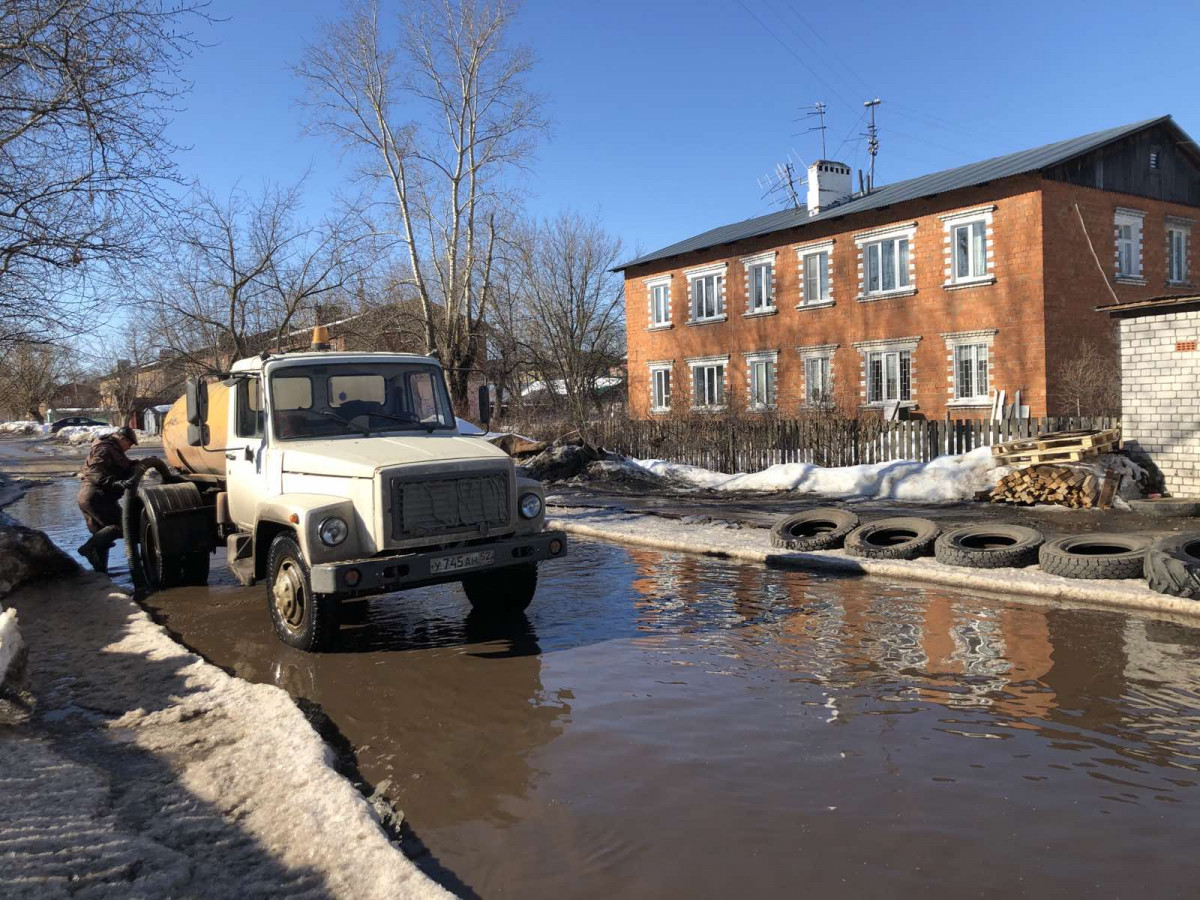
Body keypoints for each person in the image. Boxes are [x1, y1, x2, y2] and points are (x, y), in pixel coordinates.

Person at [76, 426, 142, 573]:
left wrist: (134, 465)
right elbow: (95, 471)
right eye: (129, 444)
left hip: (90, 497)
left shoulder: (113, 449)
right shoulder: (104, 449)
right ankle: (88, 548)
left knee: (102, 537)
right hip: (97, 496)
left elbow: (118, 465)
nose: (129, 448)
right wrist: (114, 483)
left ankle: (101, 572)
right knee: (123, 526)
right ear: (122, 439)